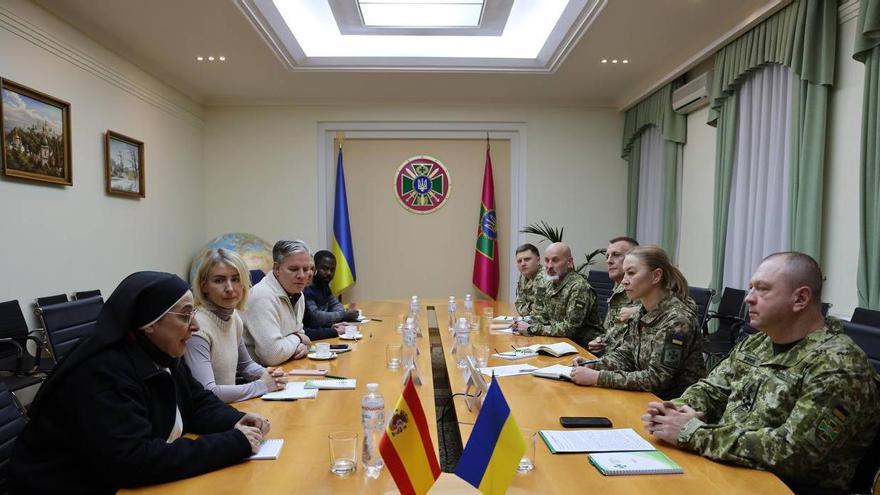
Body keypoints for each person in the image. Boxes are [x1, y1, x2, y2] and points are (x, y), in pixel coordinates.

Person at [641, 252, 880, 494]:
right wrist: (675, 411)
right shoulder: (758, 343)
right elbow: (713, 389)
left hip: (785, 487)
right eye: (750, 288)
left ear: (801, 298)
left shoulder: (838, 366)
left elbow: (793, 452)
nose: (748, 299)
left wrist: (692, 431)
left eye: (762, 289)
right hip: (729, 468)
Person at [10, 271, 269, 494]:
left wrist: (235, 420)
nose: (195, 325)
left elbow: (196, 401)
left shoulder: (158, 350)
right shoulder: (102, 373)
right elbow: (134, 460)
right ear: (149, 324)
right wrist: (233, 443)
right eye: (185, 315)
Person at [571, 245, 705, 399]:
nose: (624, 281)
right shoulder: (641, 312)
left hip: (671, 406)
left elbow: (656, 378)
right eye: (625, 273)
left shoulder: (677, 320)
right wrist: (594, 365)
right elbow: (626, 355)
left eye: (631, 273)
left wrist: (597, 377)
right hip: (644, 396)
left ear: (656, 276)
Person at [185, 248, 287, 402]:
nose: (230, 288)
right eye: (219, 280)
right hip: (209, 415)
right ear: (204, 286)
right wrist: (263, 385)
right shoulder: (197, 328)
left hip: (230, 408)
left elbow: (246, 366)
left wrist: (269, 374)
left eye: (235, 279)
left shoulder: (234, 317)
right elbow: (208, 392)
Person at [512, 242, 602, 347]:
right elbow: (541, 315)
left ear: (569, 262)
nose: (549, 266)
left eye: (555, 260)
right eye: (547, 260)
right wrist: (522, 323)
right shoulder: (549, 283)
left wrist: (531, 328)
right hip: (557, 342)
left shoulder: (579, 287)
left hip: (584, 346)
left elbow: (570, 329)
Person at [242, 240, 312, 366]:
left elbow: (300, 334)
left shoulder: (298, 293)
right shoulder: (262, 296)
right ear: (277, 268)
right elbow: (272, 355)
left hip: (285, 366)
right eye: (294, 269)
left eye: (306, 269)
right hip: (256, 377)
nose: (302, 275)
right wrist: (299, 339)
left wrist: (301, 344)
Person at [587, 236, 641, 356]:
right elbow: (611, 332)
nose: (609, 261)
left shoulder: (644, 288)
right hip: (611, 360)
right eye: (607, 256)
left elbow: (680, 306)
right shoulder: (617, 289)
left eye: (616, 255)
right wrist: (600, 341)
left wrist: (639, 311)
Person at [304, 250, 359, 326]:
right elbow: (315, 317)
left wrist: (335, 316)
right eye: (325, 268)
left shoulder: (324, 286)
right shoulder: (306, 288)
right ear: (314, 268)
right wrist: (343, 315)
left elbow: (337, 306)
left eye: (332, 270)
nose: (329, 273)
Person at [303, 257, 348, 340]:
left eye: (312, 269)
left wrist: (331, 326)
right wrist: (334, 330)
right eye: (305, 269)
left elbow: (310, 322)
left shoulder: (324, 286)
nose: (310, 273)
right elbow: (315, 318)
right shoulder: (306, 290)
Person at [514, 243, 545, 316]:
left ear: (538, 260)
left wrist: (527, 307)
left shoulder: (545, 278)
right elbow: (519, 305)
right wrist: (531, 306)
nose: (523, 264)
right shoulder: (522, 277)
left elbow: (539, 311)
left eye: (527, 259)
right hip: (527, 321)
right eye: (519, 261)